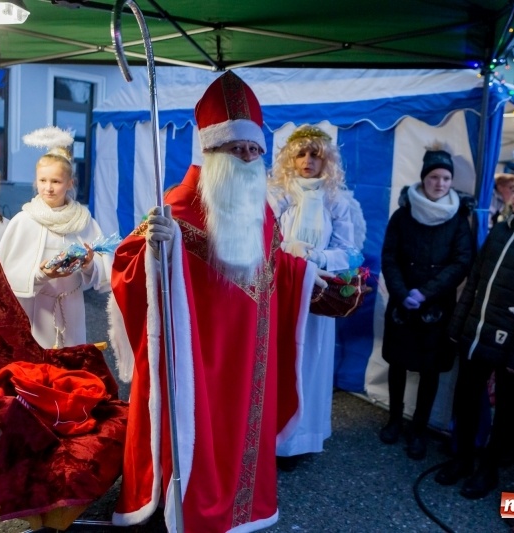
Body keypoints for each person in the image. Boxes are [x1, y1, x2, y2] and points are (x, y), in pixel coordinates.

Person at [109, 71, 320, 533]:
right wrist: (153, 250)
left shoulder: (260, 206)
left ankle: (242, 508)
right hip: (199, 357)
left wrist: (305, 275)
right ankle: (184, 502)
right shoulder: (176, 208)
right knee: (197, 431)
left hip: (251, 356)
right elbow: (126, 266)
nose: (247, 157)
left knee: (241, 430)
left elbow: (273, 264)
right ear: (211, 149)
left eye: (253, 149)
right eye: (235, 148)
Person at [436, 157, 514, 500]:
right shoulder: (501, 229)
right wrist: (457, 325)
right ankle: (461, 457)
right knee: (465, 399)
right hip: (477, 331)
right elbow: (476, 279)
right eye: (513, 191)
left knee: (508, 410)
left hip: (512, 341)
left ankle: (489, 468)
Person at [268, 124, 365, 471]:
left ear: (327, 161)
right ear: (289, 159)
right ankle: (271, 435)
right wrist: (285, 251)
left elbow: (353, 253)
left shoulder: (337, 200)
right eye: (301, 154)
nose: (308, 161)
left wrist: (318, 259)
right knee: (276, 362)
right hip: (279, 294)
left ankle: (300, 439)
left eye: (315, 155)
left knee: (310, 365)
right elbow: (259, 240)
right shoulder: (276, 196)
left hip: (317, 292)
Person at [379, 146, 475, 460]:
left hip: (436, 305)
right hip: (402, 300)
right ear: (424, 178)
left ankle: (418, 429)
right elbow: (389, 256)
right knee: (397, 362)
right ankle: (394, 420)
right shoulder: (403, 214)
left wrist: (426, 292)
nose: (440, 183)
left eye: (446, 178)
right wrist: (401, 291)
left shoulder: (458, 217)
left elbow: (462, 261)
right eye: (434, 177)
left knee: (430, 369)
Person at [0, 127, 111, 349]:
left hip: (72, 304)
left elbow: (101, 266)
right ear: (36, 181)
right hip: (38, 307)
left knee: (71, 361)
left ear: (70, 183)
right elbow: (6, 273)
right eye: (43, 180)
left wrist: (88, 265)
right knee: (41, 363)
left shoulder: (84, 220)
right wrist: (40, 274)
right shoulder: (24, 220)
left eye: (56, 182)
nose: (48, 188)